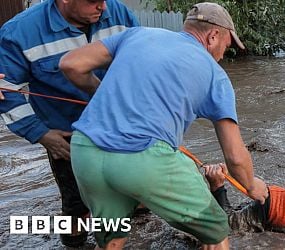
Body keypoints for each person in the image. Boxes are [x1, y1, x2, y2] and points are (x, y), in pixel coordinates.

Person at [59, 2, 268, 249]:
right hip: (142, 157)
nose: (224, 53)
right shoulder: (216, 75)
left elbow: (71, 64)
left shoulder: (138, 34)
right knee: (216, 231)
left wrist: (99, 91)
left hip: (85, 152)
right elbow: (234, 156)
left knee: (111, 238)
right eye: (226, 45)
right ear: (213, 36)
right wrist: (252, 185)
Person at [0, 0, 139, 247]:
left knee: (136, 192)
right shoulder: (20, 32)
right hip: (67, 137)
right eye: (94, 1)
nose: (104, 7)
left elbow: (142, 62)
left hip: (122, 126)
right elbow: (5, 89)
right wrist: (41, 133)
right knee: (77, 210)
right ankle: (75, 241)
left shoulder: (119, 13)